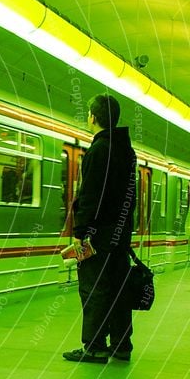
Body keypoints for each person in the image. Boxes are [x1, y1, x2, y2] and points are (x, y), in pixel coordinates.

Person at [63, 94, 137, 364]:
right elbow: (131, 198)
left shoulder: (98, 150)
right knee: (118, 289)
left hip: (97, 236)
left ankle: (94, 346)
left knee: (94, 289)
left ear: (93, 118)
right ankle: (121, 344)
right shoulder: (127, 152)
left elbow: (91, 195)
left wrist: (81, 232)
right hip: (120, 235)